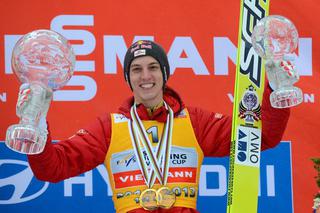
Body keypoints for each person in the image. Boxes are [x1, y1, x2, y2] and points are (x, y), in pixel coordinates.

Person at [21, 40, 290, 213]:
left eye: (153, 67)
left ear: (164, 74)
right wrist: (36, 127)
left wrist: (275, 90)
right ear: (128, 79)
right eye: (136, 69)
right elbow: (52, 169)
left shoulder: (194, 122)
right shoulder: (109, 127)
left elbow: (261, 136)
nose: (145, 76)